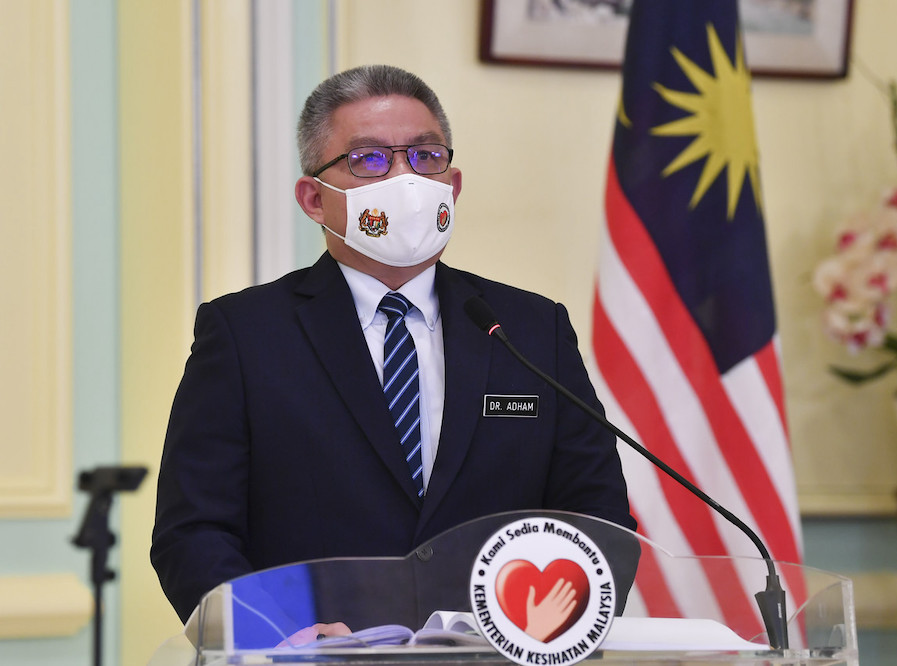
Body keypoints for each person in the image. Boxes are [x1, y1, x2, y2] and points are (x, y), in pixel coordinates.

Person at [150, 64, 635, 626]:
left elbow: (595, 516)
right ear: (313, 199)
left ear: (451, 185)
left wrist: (549, 628)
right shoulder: (244, 334)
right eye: (370, 159)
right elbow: (194, 531)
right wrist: (276, 636)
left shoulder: (530, 330)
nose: (405, 177)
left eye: (425, 156)